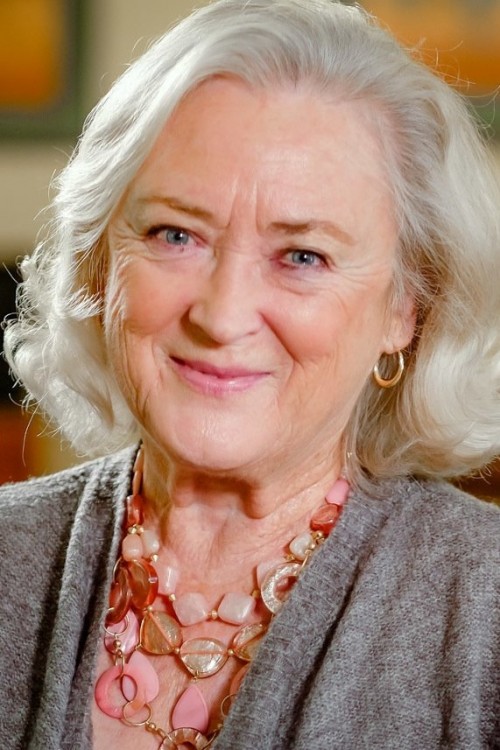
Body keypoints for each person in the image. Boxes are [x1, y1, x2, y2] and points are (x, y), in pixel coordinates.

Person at [1, 0, 500, 748]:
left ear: (405, 308)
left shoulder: (485, 611)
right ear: (101, 262)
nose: (223, 314)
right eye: (176, 234)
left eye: (302, 256)